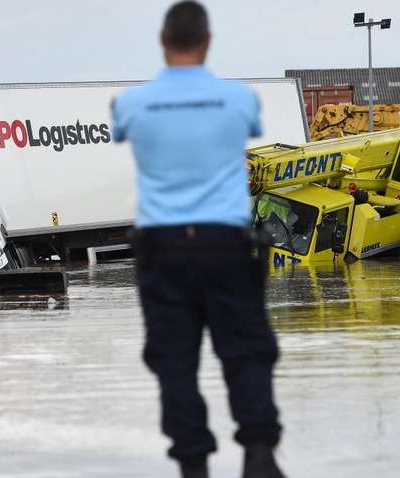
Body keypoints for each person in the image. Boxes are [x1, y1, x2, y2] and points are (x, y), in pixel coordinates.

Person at [110, 2, 284, 477]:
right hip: (226, 245)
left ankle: (192, 464)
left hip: (162, 250)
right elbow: (249, 131)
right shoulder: (240, 99)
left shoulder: (130, 104)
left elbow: (120, 132)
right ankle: (259, 453)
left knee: (174, 360)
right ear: (207, 42)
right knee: (245, 350)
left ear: (163, 42)